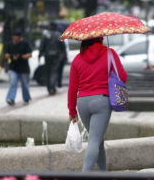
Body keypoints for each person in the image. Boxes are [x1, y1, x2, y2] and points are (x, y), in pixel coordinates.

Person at [68, 37, 127, 171]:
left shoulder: (77, 59)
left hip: (82, 102)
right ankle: (84, 178)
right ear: (101, 38)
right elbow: (122, 76)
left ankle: (103, 174)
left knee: (97, 139)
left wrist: (72, 111)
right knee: (94, 140)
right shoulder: (109, 53)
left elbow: (72, 88)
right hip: (101, 101)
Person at [3, 31, 32, 106]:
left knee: (25, 84)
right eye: (14, 37)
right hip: (13, 68)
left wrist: (21, 56)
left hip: (24, 68)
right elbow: (5, 55)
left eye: (17, 37)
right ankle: (10, 99)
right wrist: (12, 56)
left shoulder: (25, 43)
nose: (15, 39)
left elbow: (30, 54)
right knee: (13, 83)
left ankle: (26, 98)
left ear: (20, 37)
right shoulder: (9, 44)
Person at [39, 22, 66, 95]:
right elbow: (63, 46)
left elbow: (42, 46)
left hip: (47, 55)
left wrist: (40, 55)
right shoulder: (58, 35)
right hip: (56, 56)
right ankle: (52, 86)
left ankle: (49, 87)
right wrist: (63, 53)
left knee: (48, 72)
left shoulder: (46, 35)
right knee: (54, 72)